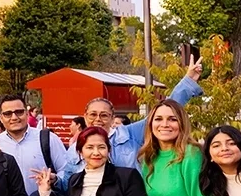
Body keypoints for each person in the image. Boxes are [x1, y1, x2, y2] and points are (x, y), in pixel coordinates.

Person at [75, 58, 204, 171]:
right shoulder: (75, 148)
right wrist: (56, 180)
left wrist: (188, 81)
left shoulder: (130, 135)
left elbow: (166, 109)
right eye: (93, 114)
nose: (98, 119)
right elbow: (67, 178)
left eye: (104, 115)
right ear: (85, 116)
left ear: (112, 118)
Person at [0, 94, 70, 196]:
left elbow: (66, 171)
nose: (14, 117)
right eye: (8, 114)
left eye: (19, 112)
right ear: (1, 118)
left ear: (27, 113)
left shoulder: (48, 139)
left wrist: (55, 179)